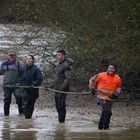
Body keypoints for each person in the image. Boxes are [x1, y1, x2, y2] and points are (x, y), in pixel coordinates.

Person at [89, 64, 122, 130]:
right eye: (109, 68)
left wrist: (116, 94)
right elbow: (92, 81)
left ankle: (100, 127)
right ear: (107, 68)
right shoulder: (101, 75)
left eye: (112, 68)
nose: (110, 69)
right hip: (101, 96)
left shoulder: (117, 78)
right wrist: (92, 89)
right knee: (107, 111)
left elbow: (119, 87)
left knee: (105, 112)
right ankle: (106, 128)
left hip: (110, 97)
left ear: (115, 69)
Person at [0, 51, 23, 116]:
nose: (11, 57)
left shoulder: (19, 64)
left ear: (15, 56)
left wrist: (21, 82)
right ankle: (6, 116)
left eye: (13, 55)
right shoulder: (3, 64)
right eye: (10, 55)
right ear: (8, 56)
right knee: (7, 101)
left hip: (17, 86)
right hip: (6, 86)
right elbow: (0, 72)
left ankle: (21, 114)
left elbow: (24, 73)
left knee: (19, 99)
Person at [20, 55, 43, 119]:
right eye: (27, 58)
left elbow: (40, 79)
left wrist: (34, 84)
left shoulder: (36, 69)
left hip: (33, 90)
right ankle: (27, 119)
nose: (28, 60)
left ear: (32, 60)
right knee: (25, 104)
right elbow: (20, 77)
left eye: (30, 58)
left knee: (31, 105)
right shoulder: (23, 68)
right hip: (25, 89)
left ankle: (29, 118)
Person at [53, 50, 71, 123]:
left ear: (63, 55)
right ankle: (60, 121)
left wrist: (62, 87)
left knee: (61, 106)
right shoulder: (58, 65)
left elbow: (68, 78)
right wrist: (51, 86)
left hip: (62, 90)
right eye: (57, 55)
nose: (58, 56)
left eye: (59, 55)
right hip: (56, 89)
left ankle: (62, 122)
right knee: (57, 106)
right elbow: (56, 77)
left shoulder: (66, 65)